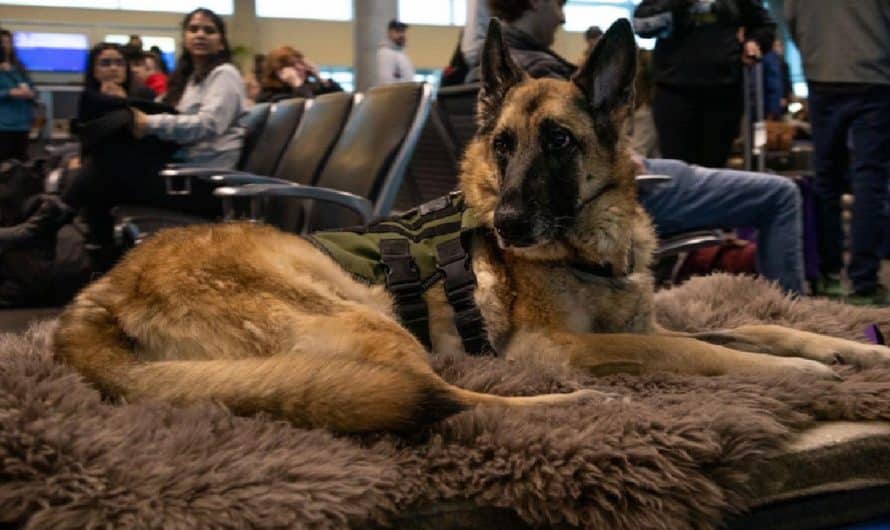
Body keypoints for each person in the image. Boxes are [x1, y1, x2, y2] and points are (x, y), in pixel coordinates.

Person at [465, 0, 805, 294]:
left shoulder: (500, 79)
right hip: (628, 185)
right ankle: (790, 310)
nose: (563, 18)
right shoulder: (540, 83)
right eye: (559, 5)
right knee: (781, 195)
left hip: (621, 171)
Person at [6, 8, 246, 272]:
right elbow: (169, 113)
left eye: (209, 30)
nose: (200, 34)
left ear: (221, 41)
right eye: (193, 29)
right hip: (181, 174)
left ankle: (52, 234)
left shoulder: (224, 74)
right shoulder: (191, 81)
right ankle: (93, 257)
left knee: (103, 168)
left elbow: (207, 124)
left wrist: (148, 123)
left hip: (201, 184)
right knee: (103, 167)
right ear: (185, 38)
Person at [786, 0, 890, 304]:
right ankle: (864, 280)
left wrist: (814, 57)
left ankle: (828, 274)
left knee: (826, 178)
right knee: (870, 178)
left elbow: (792, 19)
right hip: (875, 77)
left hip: (823, 76)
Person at [633, 0, 775, 168]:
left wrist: (754, 42)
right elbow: (641, 25)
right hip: (674, 91)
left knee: (714, 168)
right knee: (677, 167)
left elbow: (765, 25)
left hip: (723, 91)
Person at [256, 46, 342, 103]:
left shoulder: (309, 87)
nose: (301, 68)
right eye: (293, 65)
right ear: (279, 71)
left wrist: (319, 77)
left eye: (301, 63)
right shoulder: (270, 96)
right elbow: (308, 110)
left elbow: (340, 100)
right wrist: (296, 83)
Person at [0, 29, 36, 163]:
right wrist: (9, 92)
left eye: (8, 42)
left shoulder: (19, 67)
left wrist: (31, 93)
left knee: (20, 165)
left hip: (22, 124)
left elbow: (31, 87)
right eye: (1, 43)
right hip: (3, 126)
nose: (5, 46)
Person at [376, 19, 415, 85]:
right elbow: (386, 81)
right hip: (394, 94)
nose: (402, 35)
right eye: (398, 32)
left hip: (405, 93)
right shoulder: (386, 53)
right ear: (389, 33)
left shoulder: (400, 53)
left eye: (403, 31)